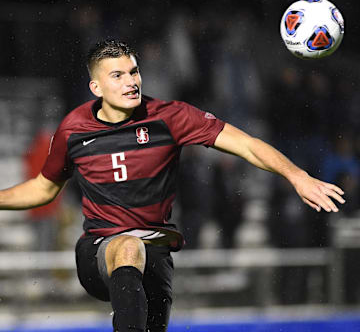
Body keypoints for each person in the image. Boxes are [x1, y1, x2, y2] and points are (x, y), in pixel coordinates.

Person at [0, 40, 345, 332]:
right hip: (98, 251)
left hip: (156, 253)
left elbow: (248, 145)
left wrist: (297, 175)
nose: (130, 82)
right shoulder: (73, 129)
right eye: (117, 76)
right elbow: (43, 189)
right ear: (96, 87)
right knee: (128, 247)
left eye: (133, 72)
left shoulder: (170, 117)